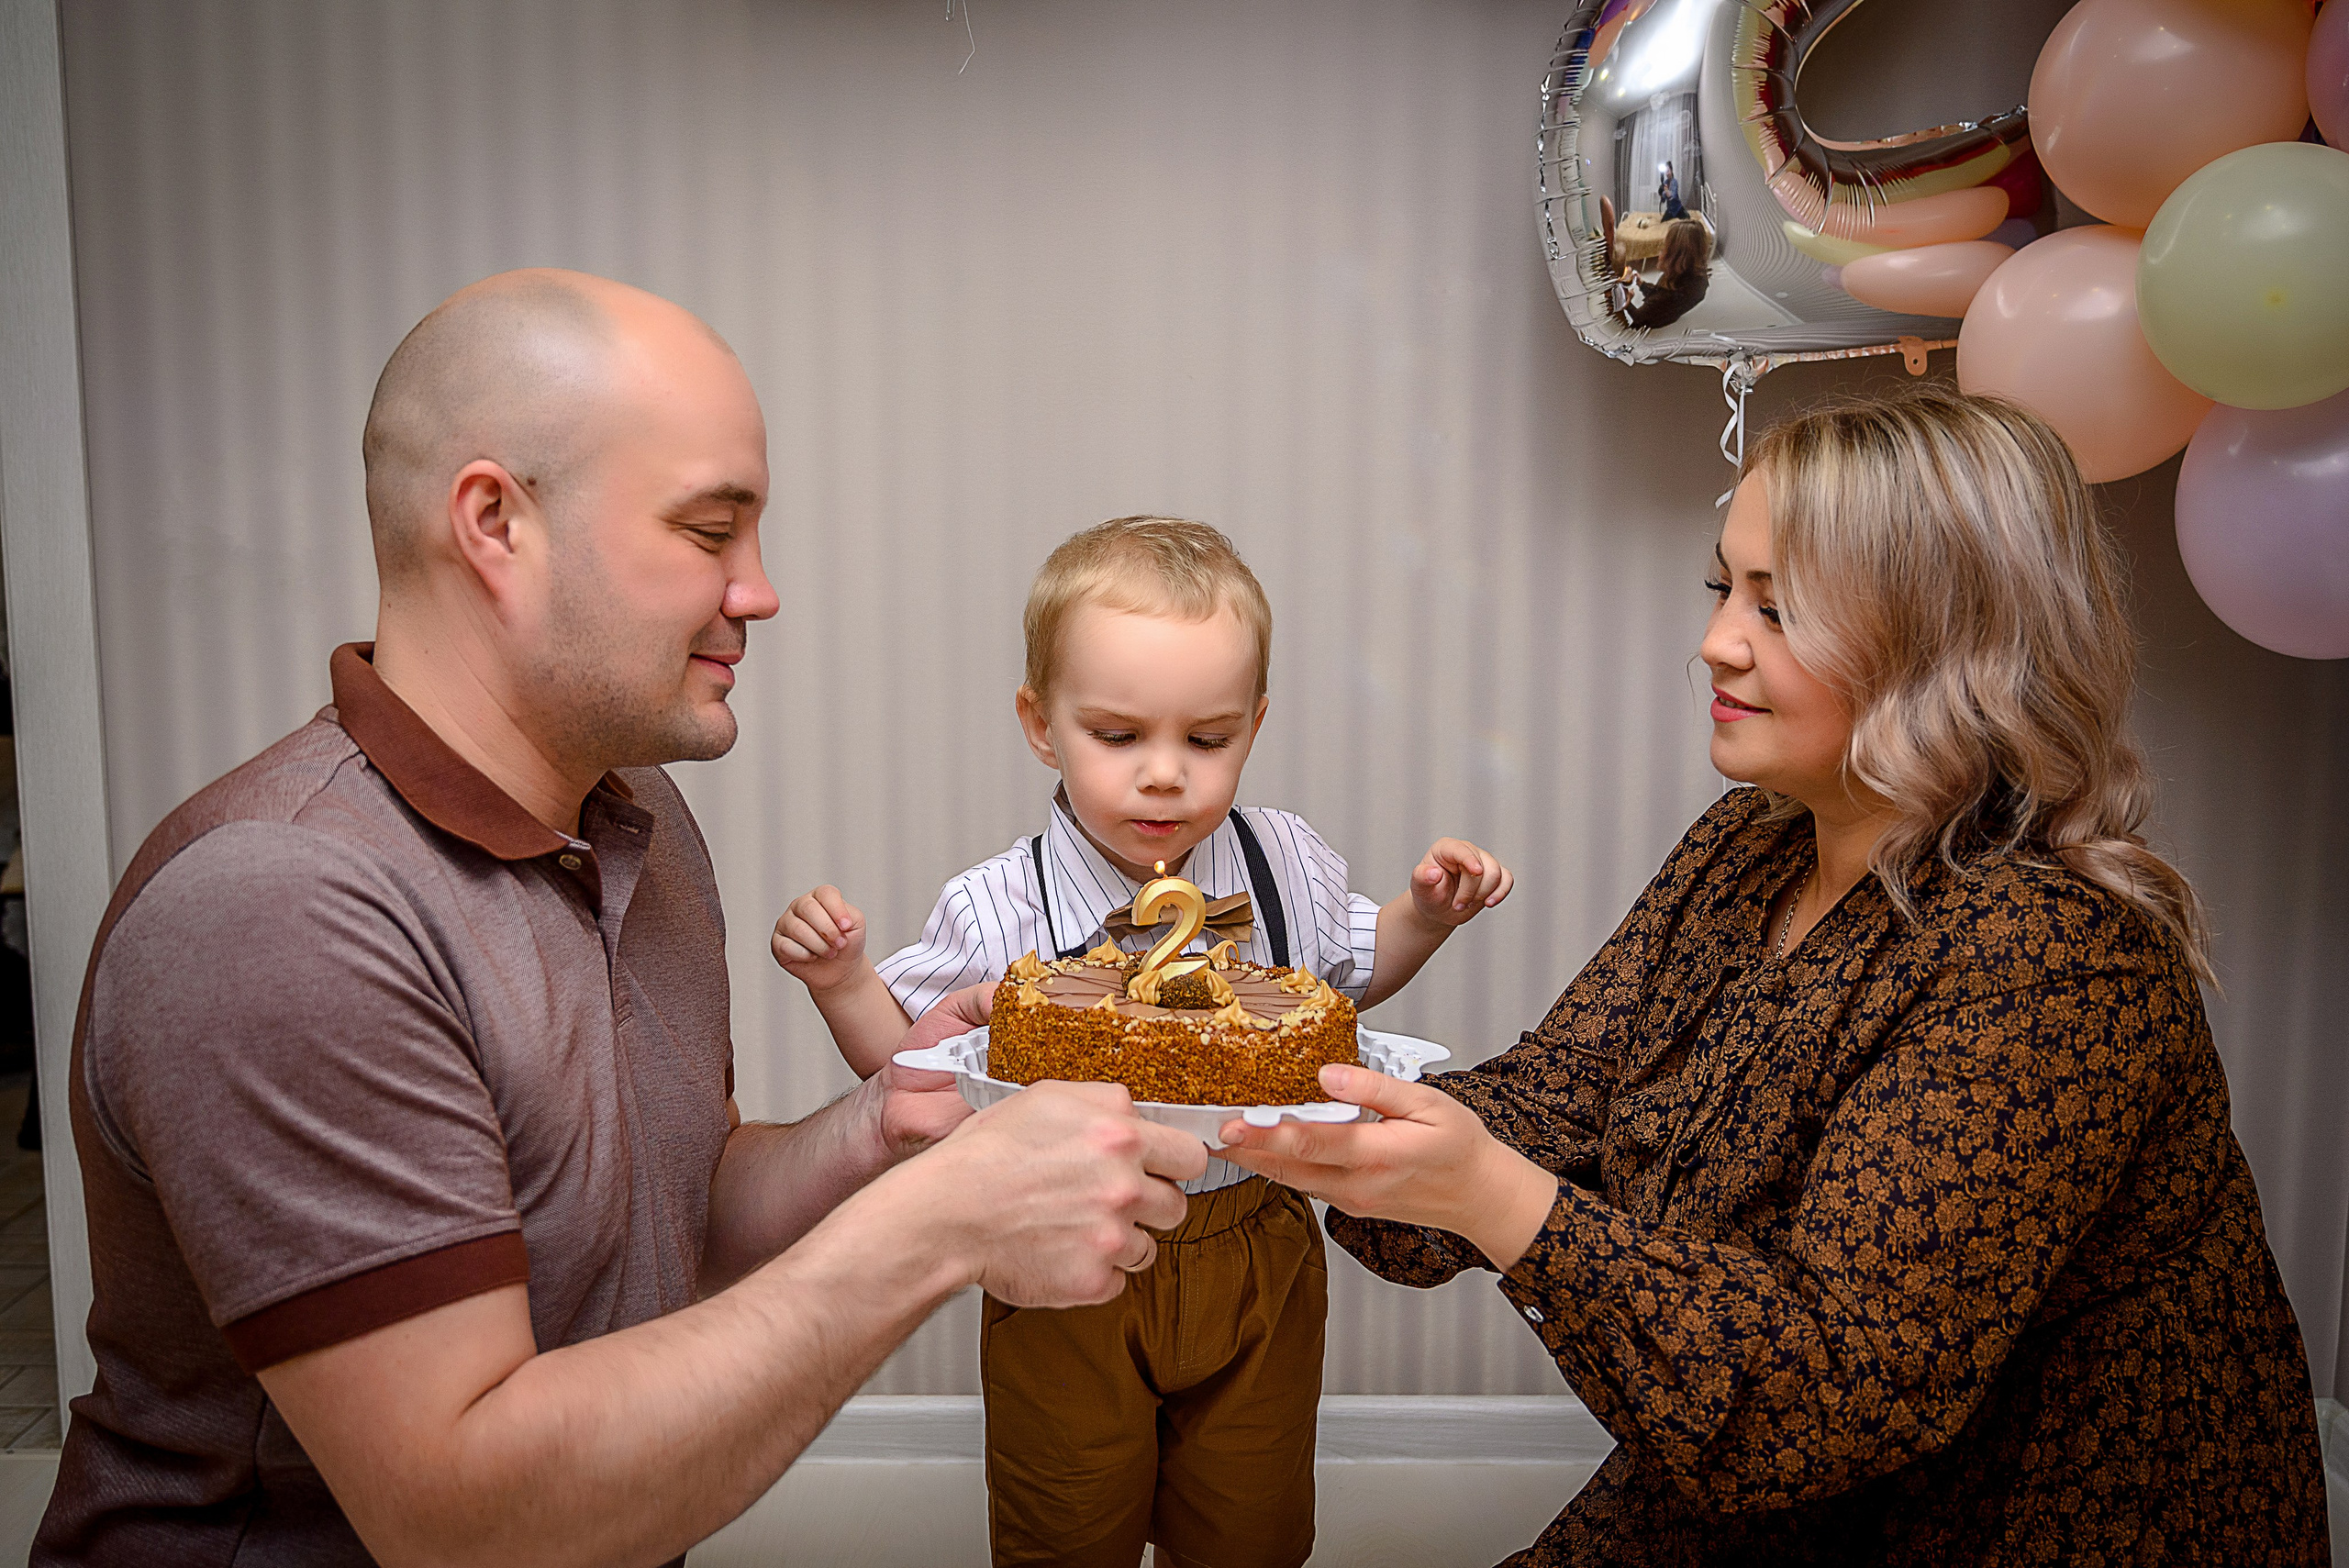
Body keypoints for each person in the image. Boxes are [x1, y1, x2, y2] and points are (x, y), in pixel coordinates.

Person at [35, 270, 1209, 1568]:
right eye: (712, 533)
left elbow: (671, 1228)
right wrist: (936, 1231)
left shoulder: (632, 814)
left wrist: (887, 1125)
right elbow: (465, 1516)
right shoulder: (283, 907)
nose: (758, 593)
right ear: (495, 523)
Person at [1215, 386, 2331, 1564]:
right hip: (1755, 1453)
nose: (1716, 640)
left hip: (2016, 1509)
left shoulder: (2051, 956)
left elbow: (1834, 1392)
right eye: (1723, 586)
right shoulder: (1748, 841)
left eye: (1780, 608)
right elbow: (1556, 1096)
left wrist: (1486, 1195)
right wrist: (1287, 1092)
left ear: (1945, 642)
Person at [771, 516, 1514, 1567]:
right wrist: (843, 980)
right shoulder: (998, 904)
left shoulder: (1282, 859)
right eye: (1117, 736)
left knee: (1247, 1523)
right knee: (1065, 1524)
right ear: (1041, 723)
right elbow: (906, 1069)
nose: (1164, 775)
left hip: (1259, 1240)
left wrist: (1424, 915)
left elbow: (1350, 976)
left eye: (1206, 739)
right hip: (1062, 1252)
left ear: (1253, 724)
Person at [1621, 218, 1709, 332]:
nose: (1660, 252)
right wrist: (1641, 284)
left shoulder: (1665, 297)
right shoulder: (1699, 279)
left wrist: (1627, 302)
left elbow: (1639, 317)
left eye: (1664, 248)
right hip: (1671, 314)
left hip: (1651, 328)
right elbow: (1659, 297)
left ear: (1675, 257)